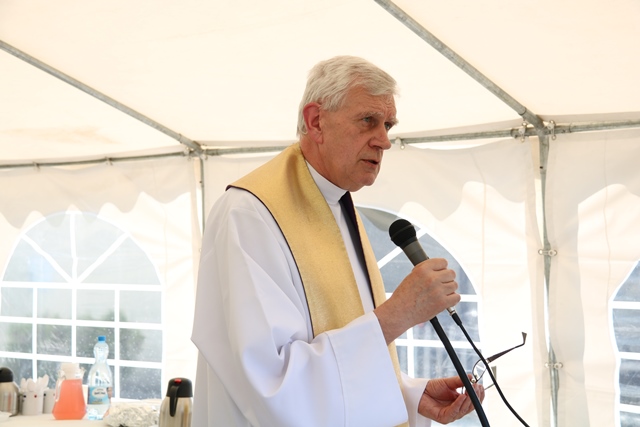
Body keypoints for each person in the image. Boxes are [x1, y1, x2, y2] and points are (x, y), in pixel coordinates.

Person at [191, 55, 484, 426]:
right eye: (368, 120)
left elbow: (335, 344)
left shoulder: (342, 209)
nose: (384, 141)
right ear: (316, 121)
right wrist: (398, 313)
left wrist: (407, 393)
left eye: (388, 125)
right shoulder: (248, 214)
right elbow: (271, 383)